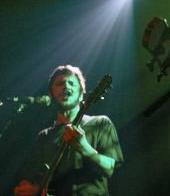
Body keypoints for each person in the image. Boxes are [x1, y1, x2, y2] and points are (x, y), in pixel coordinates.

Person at [14, 65, 124, 196]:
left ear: (81, 93)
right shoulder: (44, 136)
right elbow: (29, 178)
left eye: (71, 83)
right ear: (51, 95)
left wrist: (86, 149)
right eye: (60, 83)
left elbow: (110, 169)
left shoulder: (100, 123)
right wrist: (31, 189)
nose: (66, 86)